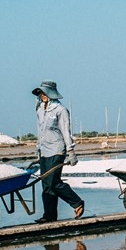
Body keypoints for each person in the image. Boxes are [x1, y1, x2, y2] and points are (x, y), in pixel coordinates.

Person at [32, 80, 84, 223]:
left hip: (56, 150)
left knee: (53, 182)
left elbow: (65, 131)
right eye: (40, 93)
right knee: (46, 184)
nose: (42, 95)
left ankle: (77, 202)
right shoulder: (40, 109)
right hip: (44, 151)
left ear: (51, 93)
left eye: (44, 92)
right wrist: (38, 149)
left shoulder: (60, 110)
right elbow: (40, 131)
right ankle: (49, 215)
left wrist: (71, 151)